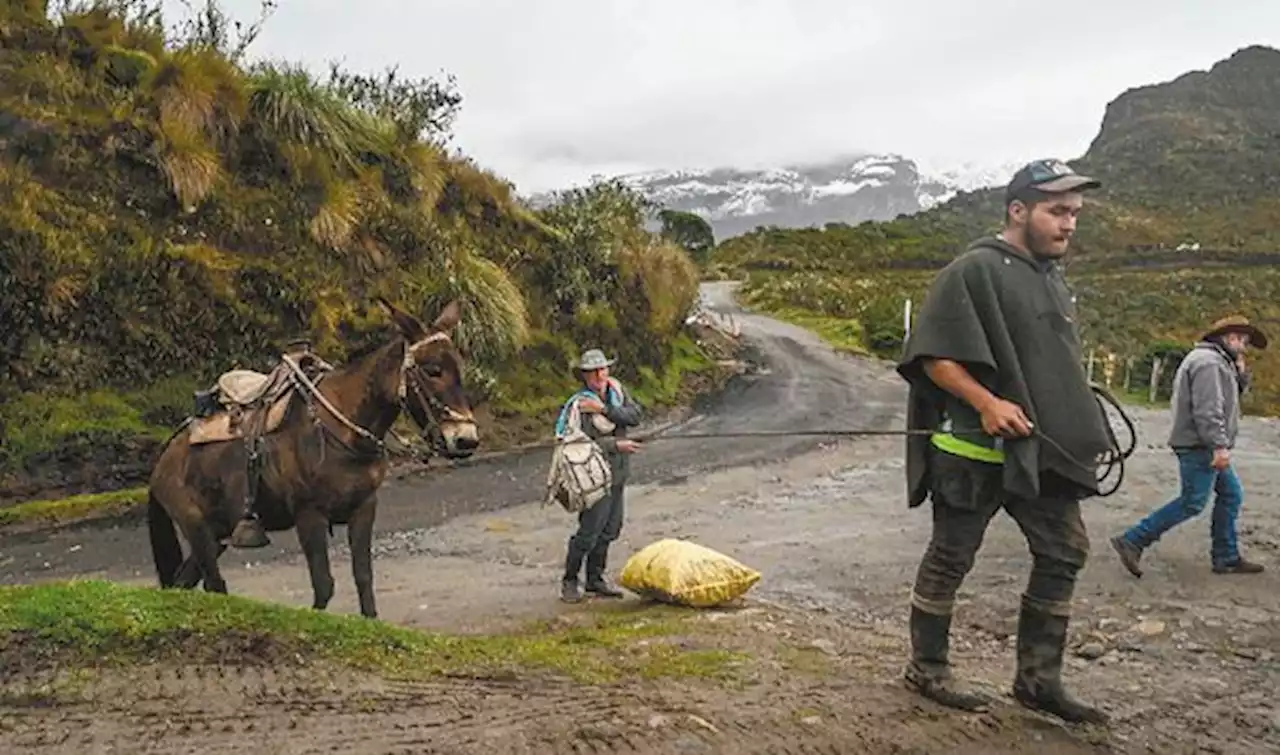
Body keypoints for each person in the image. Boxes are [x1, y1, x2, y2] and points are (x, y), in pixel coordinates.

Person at [896, 159, 1117, 725]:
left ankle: (1038, 681)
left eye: (1074, 214)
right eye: (1057, 211)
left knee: (1065, 550)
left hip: (1039, 452)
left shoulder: (1050, 276)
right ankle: (927, 667)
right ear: (1018, 210)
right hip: (971, 453)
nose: (1069, 224)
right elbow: (935, 359)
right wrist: (988, 403)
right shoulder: (973, 270)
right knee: (951, 556)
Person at [1111, 316, 1267, 577]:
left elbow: (1230, 397)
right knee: (1192, 502)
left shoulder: (1217, 362)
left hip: (1202, 443)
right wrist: (1219, 446)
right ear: (1227, 337)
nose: (1244, 346)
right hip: (1200, 444)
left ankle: (1226, 556)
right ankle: (1134, 539)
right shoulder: (1209, 364)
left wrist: (1240, 374)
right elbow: (1208, 410)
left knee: (1231, 495)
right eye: (1241, 339)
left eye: (1246, 341)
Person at [555, 348, 643, 603]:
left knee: (611, 529)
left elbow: (635, 415)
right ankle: (570, 580)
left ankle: (595, 579)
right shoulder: (579, 406)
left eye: (602, 369)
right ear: (584, 376)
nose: (599, 375)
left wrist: (604, 410)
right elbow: (577, 444)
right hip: (591, 478)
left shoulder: (617, 392)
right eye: (592, 372)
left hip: (617, 474)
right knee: (589, 531)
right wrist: (616, 445)